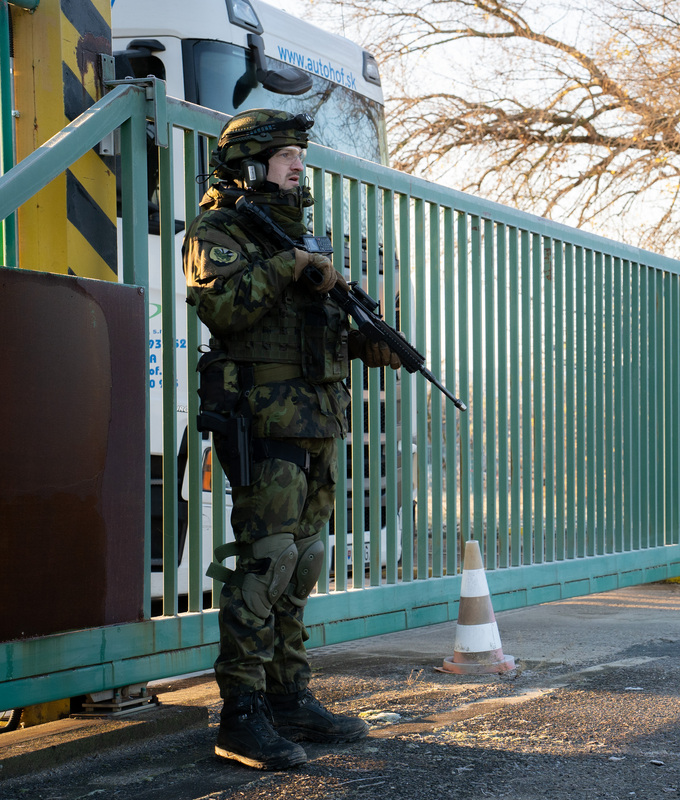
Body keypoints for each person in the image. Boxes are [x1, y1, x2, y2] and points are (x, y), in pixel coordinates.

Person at [183, 108, 401, 770]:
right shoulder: (219, 231)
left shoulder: (299, 236)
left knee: (303, 563)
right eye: (285, 156)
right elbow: (224, 307)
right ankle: (241, 714)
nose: (298, 166)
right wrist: (290, 266)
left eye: (300, 157)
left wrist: (363, 338)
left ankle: (288, 697)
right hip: (264, 420)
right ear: (249, 165)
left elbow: (315, 328)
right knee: (265, 564)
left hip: (317, 419)